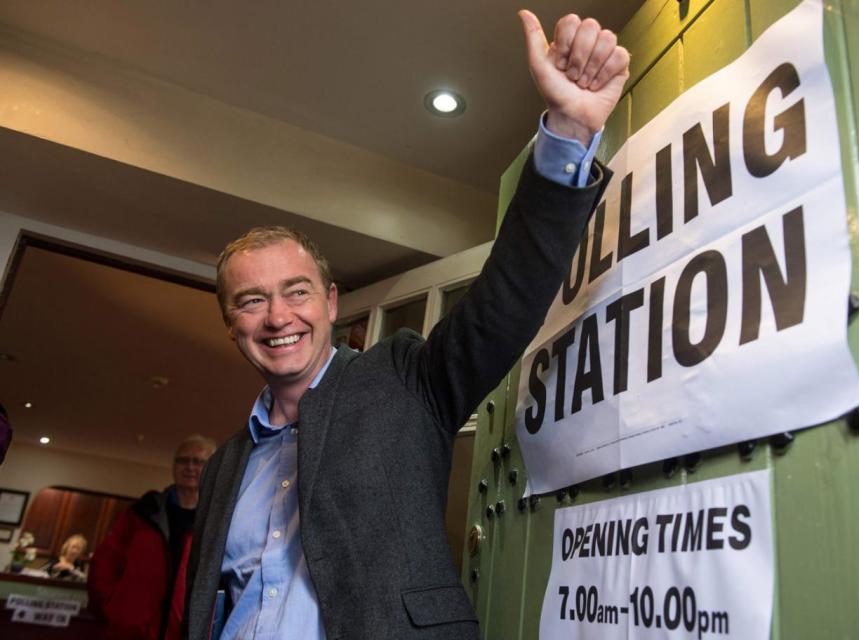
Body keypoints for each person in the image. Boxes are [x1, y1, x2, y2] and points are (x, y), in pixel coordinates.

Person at [184, 10, 629, 640]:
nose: (278, 316)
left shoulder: (402, 378)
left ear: (332, 303)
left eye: (297, 292)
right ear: (231, 323)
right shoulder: (227, 462)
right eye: (252, 301)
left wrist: (569, 131)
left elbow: (505, 299)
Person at [89, 434, 216, 640]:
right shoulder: (143, 513)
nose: (190, 467)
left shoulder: (217, 523)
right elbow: (105, 563)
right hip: (130, 632)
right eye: (183, 460)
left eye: (199, 462)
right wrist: (113, 609)